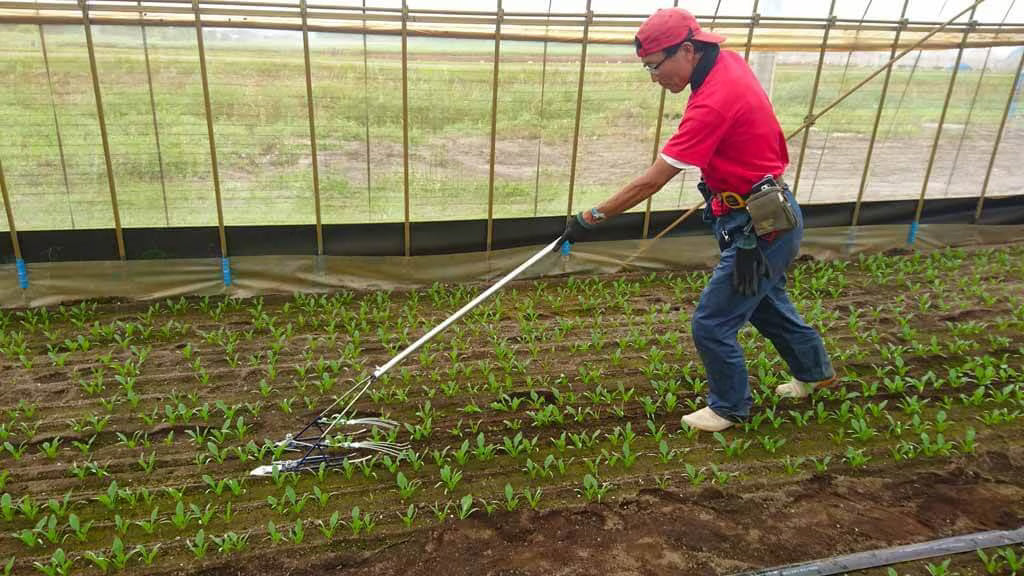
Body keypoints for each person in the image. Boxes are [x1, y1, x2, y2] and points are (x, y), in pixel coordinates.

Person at [558, 7, 835, 432]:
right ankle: (816, 374)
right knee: (763, 303)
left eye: (654, 66)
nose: (653, 77)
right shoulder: (725, 63)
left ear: (687, 50)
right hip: (759, 214)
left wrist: (592, 217)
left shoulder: (714, 99)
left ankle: (728, 407)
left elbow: (651, 182)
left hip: (759, 224)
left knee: (711, 322)